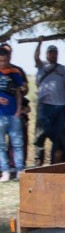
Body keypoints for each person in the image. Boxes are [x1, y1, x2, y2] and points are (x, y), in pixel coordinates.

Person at [33, 40, 65, 166]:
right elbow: (36, 56)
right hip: (45, 105)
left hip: (60, 106)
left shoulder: (62, 69)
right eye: (51, 53)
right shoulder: (41, 65)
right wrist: (39, 42)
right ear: (47, 54)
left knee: (58, 135)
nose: (53, 55)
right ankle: (38, 161)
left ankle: (54, 163)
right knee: (41, 134)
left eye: (55, 53)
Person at [0, 48, 25, 182]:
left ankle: (20, 170)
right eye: (1, 61)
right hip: (0, 115)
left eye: (6, 60)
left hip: (13, 114)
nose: (3, 63)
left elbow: (18, 92)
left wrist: (19, 109)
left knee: (17, 143)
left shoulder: (15, 72)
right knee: (1, 145)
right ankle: (5, 171)